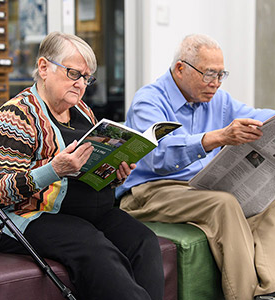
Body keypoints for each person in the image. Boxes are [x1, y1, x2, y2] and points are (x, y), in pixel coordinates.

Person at [0, 31, 164, 300]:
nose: (81, 84)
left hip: (78, 209)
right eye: (74, 74)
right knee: (93, 248)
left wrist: (115, 173)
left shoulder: (83, 111)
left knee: (143, 241)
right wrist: (54, 169)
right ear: (44, 67)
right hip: (24, 213)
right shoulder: (14, 116)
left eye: (87, 78)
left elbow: (89, 170)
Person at [116, 33, 275, 300]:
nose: (215, 83)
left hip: (195, 188)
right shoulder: (149, 100)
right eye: (209, 74)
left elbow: (260, 117)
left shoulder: (218, 101)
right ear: (180, 68)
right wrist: (218, 137)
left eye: (221, 75)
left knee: (270, 200)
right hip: (149, 191)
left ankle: (269, 290)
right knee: (223, 204)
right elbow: (159, 157)